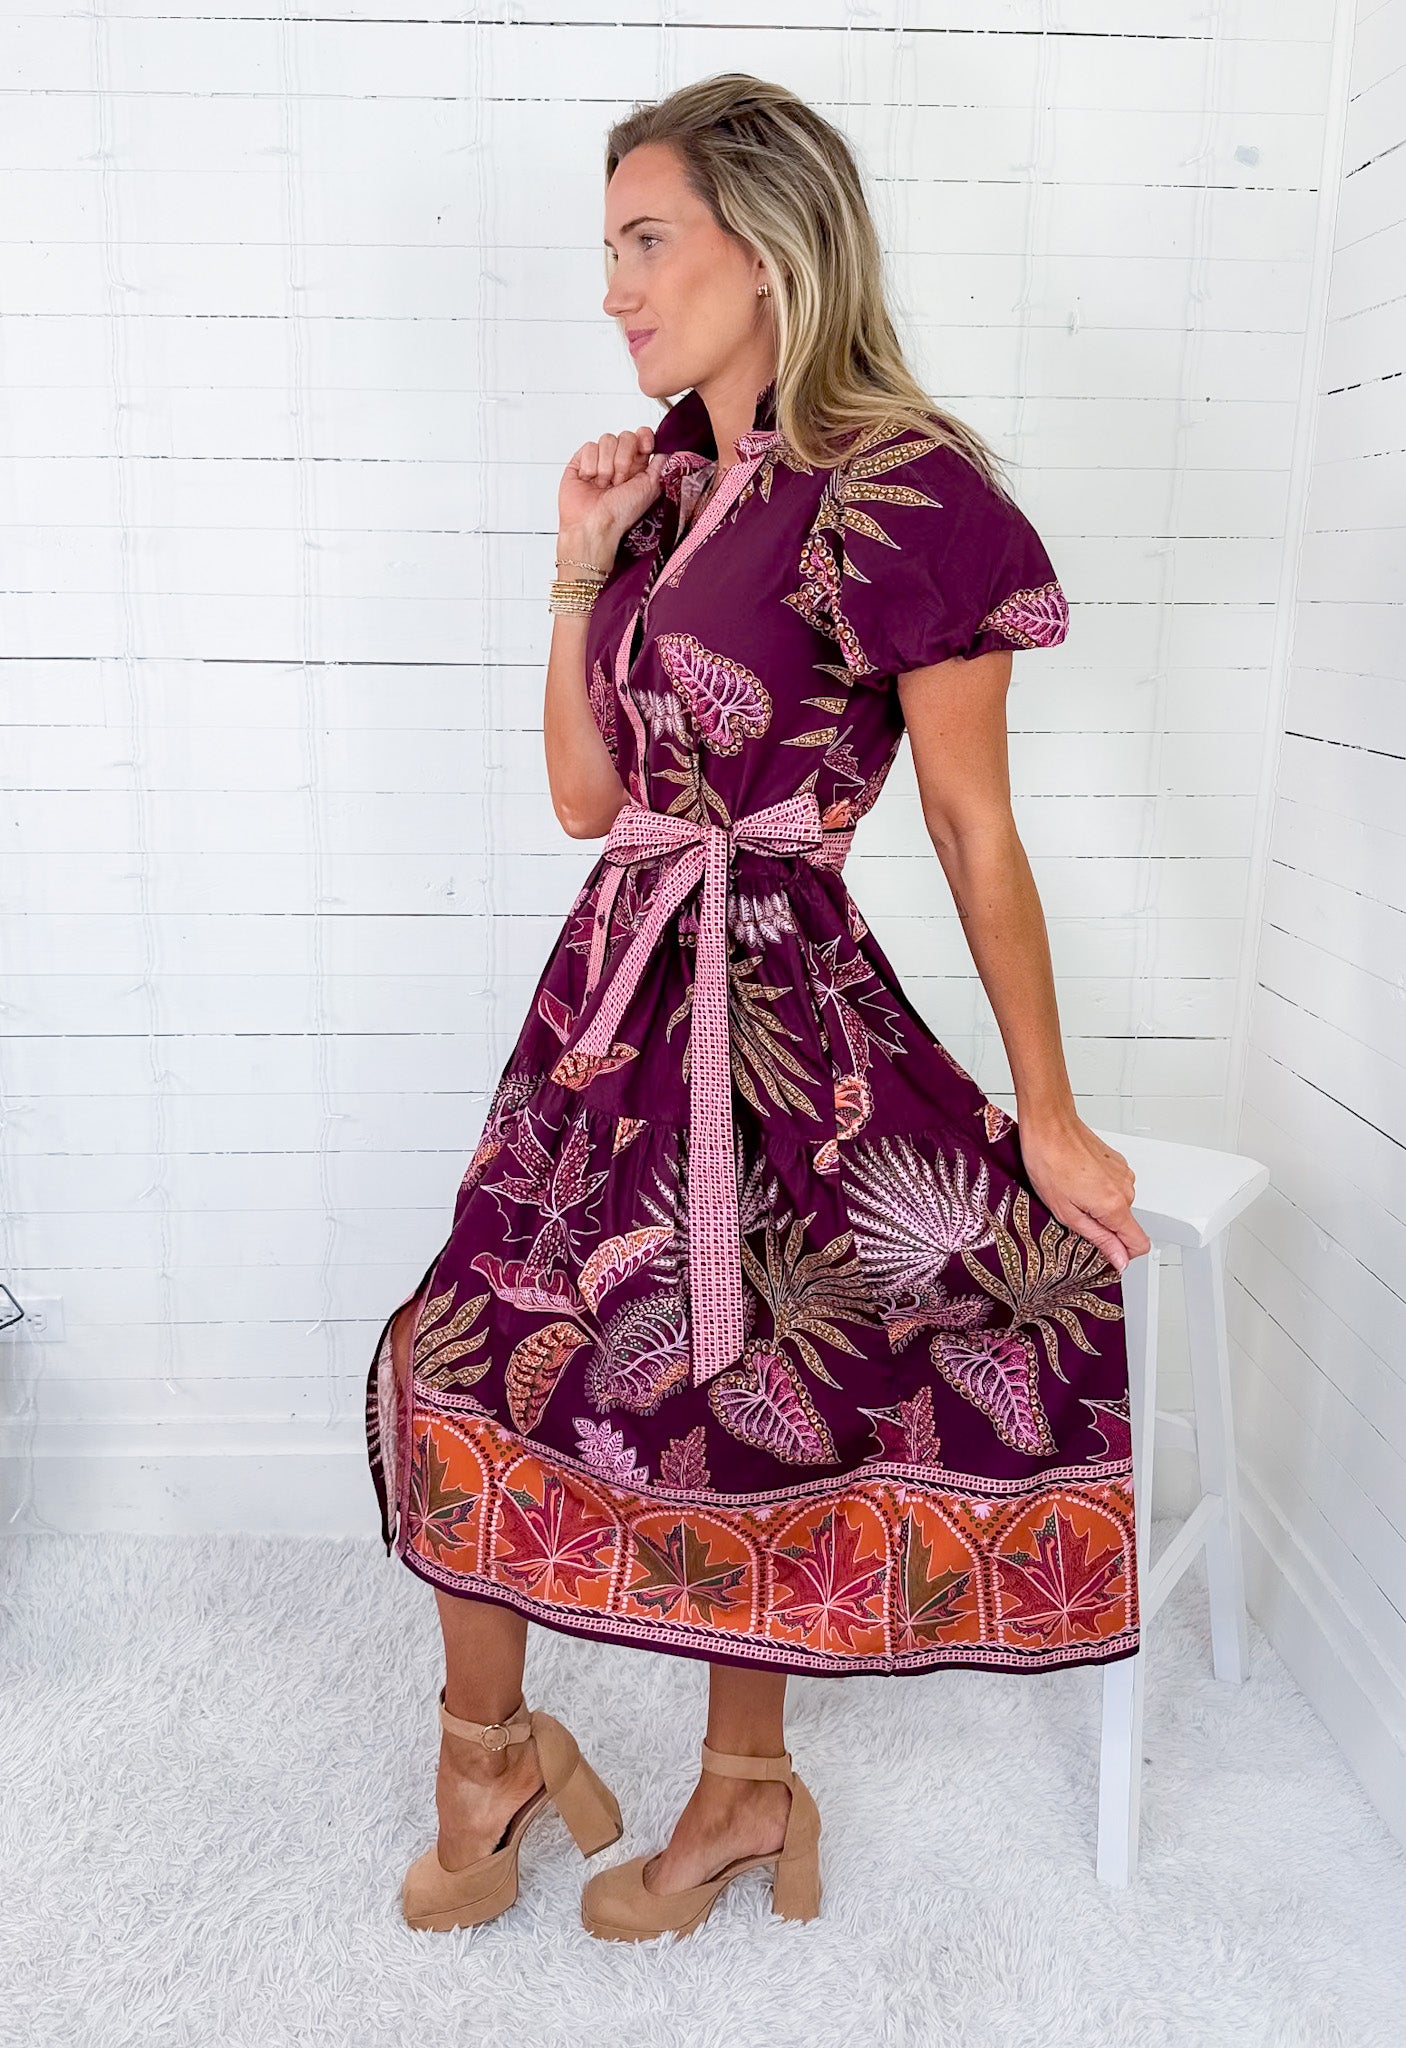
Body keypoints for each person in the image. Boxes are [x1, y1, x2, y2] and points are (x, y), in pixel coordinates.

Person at [366, 71, 1152, 1941]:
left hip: (779, 1001)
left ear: (770, 243)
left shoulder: (904, 488)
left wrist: (1044, 1105)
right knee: (457, 1359)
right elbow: (587, 799)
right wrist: (577, 561)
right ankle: (495, 1753)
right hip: (606, 994)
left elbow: (969, 823)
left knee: (752, 1400)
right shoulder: (666, 488)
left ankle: (738, 1796)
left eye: (647, 243)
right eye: (610, 251)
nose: (616, 291)